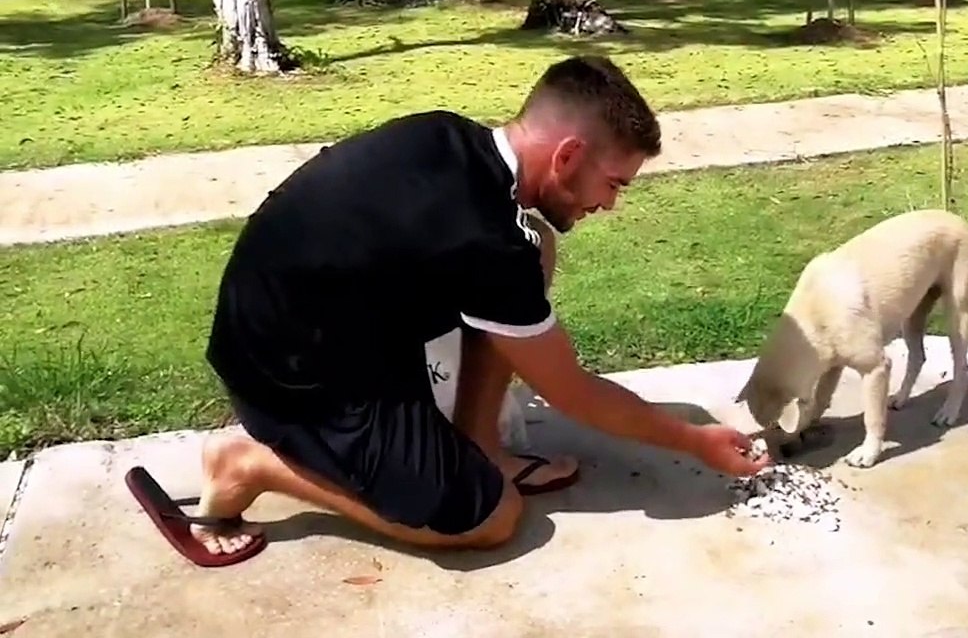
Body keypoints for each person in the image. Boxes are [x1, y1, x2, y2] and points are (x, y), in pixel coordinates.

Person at [126, 55, 770, 567]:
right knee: (492, 520)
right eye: (614, 183)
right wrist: (692, 439)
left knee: (534, 248)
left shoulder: (449, 138)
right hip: (293, 378)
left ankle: (479, 445)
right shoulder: (483, 236)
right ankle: (253, 464)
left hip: (326, 321)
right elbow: (573, 391)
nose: (610, 204)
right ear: (568, 155)